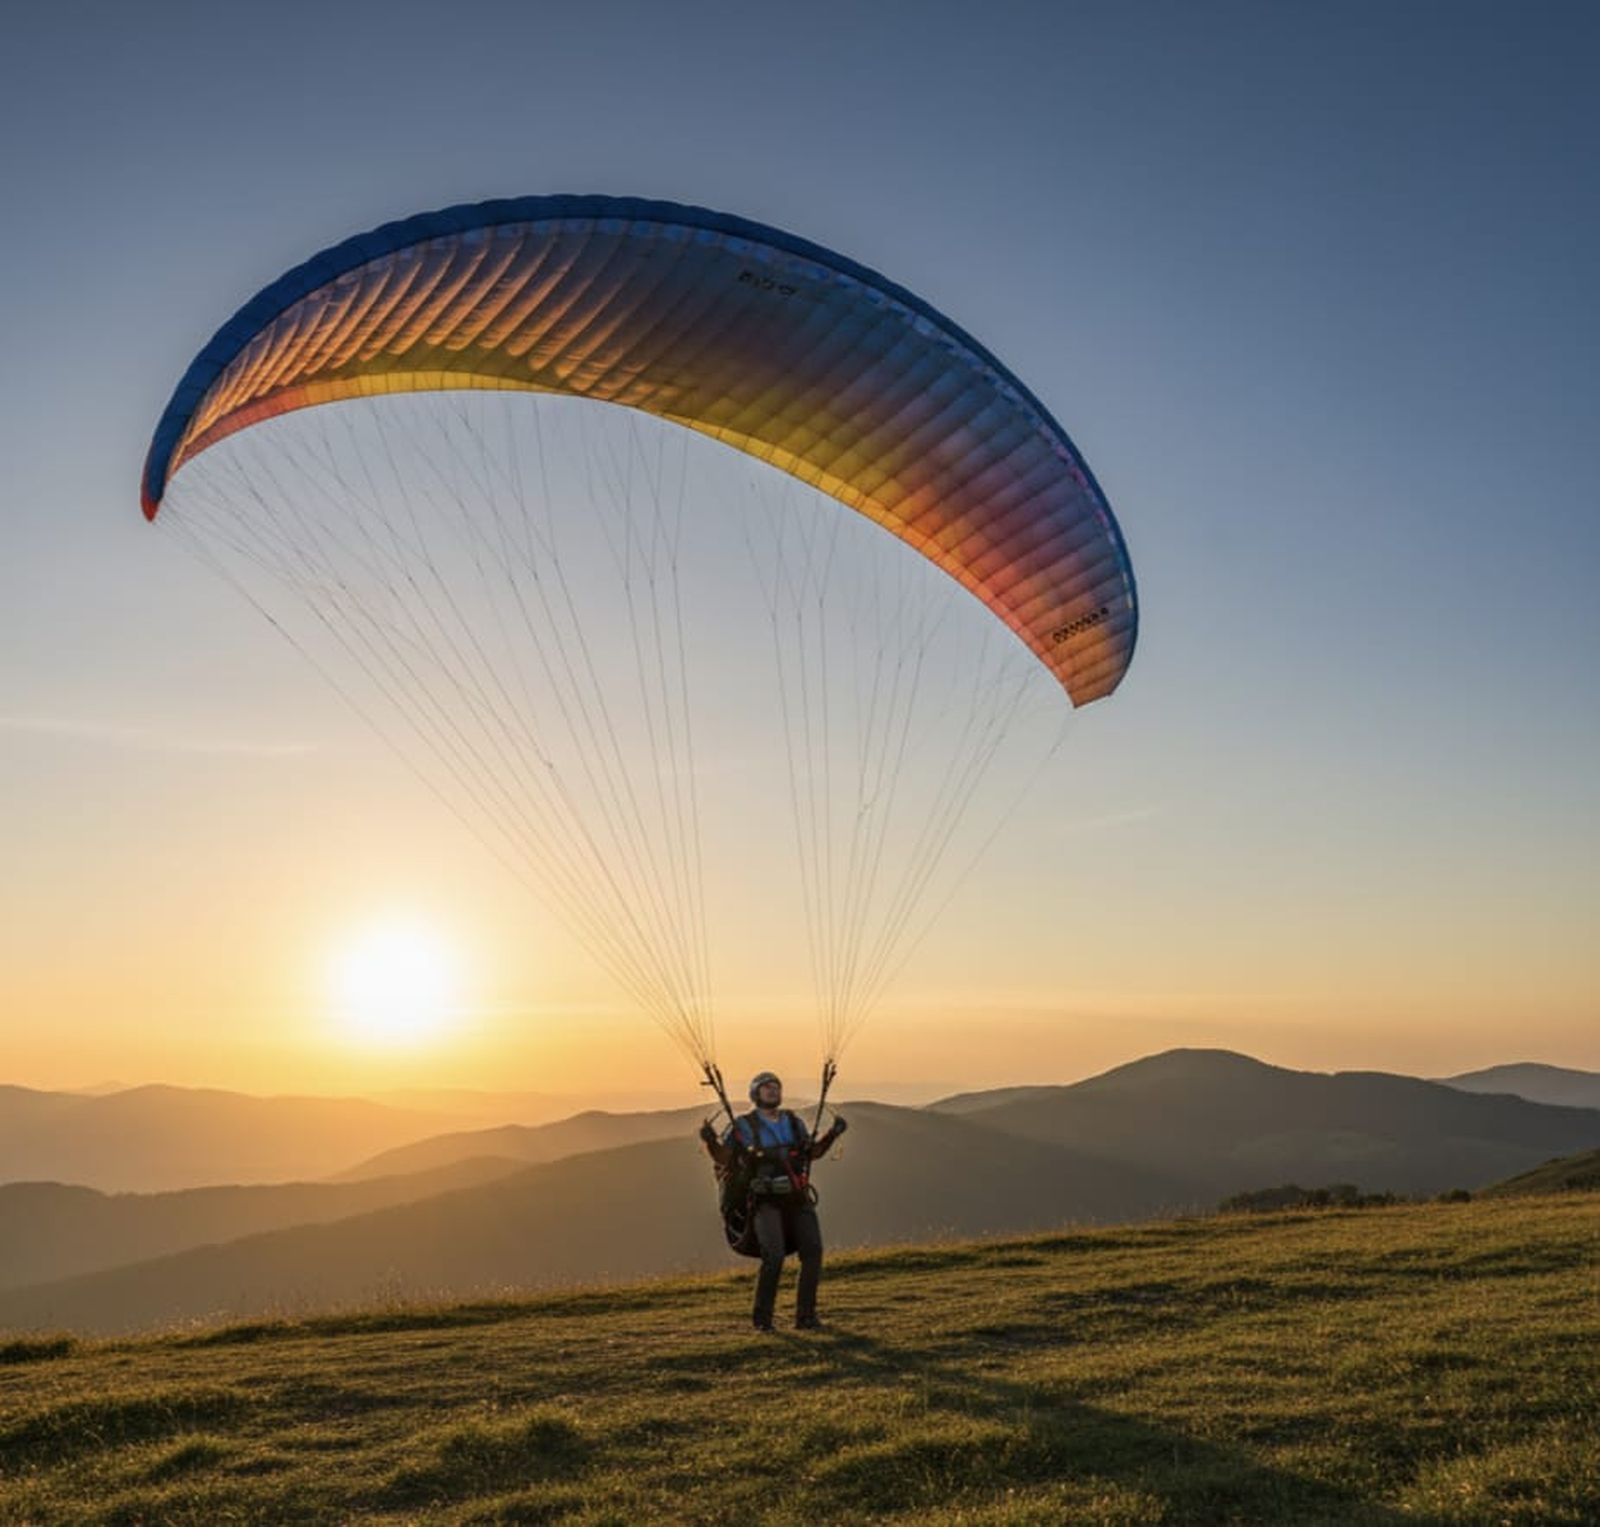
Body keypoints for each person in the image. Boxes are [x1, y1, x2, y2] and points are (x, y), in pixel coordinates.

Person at [699, 1071, 847, 1332]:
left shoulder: (793, 1122)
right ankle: (762, 1319)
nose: (772, 1091)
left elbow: (811, 1153)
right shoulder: (742, 1126)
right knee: (774, 1256)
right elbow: (725, 1159)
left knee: (813, 1251)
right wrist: (710, 1141)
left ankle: (806, 1316)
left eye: (776, 1087)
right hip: (763, 1201)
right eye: (766, 1087)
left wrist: (832, 1134)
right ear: (755, 1094)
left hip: (796, 1196)